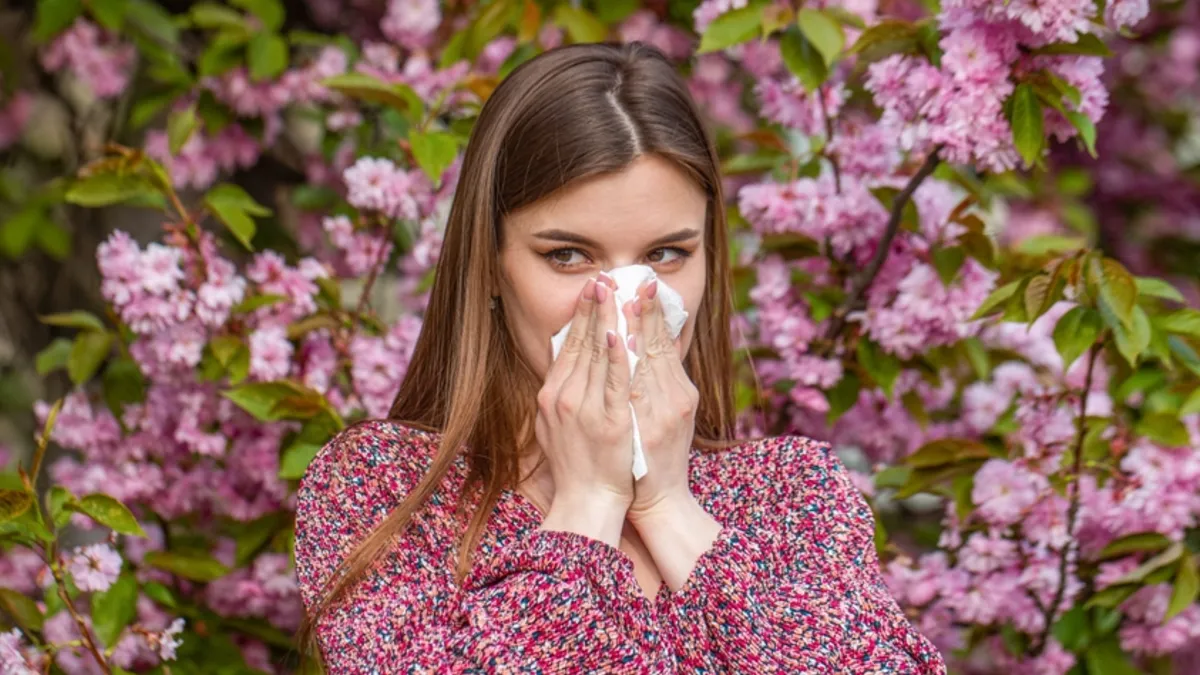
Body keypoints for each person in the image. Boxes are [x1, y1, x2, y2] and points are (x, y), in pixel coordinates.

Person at [293, 41, 947, 673]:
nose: (626, 299)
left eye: (666, 254)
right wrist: (588, 506)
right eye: (568, 255)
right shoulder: (386, 491)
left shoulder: (789, 493)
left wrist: (668, 507)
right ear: (490, 264)